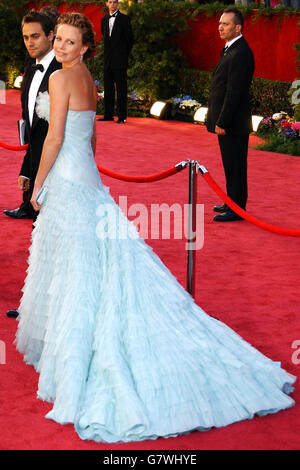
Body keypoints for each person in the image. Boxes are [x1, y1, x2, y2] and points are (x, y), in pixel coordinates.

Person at [15, 12, 295, 444]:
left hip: (68, 183)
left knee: (76, 271)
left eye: (73, 43)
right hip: (86, 178)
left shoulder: (60, 78)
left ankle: (74, 359)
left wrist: (38, 181)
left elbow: (53, 139)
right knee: (90, 265)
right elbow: (90, 139)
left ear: (86, 47)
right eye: (63, 42)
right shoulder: (87, 78)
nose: (65, 49)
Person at [3, 9, 61, 221]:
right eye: (26, 37)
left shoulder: (63, 70)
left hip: (59, 169)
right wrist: (27, 170)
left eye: (35, 36)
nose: (30, 42)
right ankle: (28, 206)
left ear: (50, 34)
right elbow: (33, 126)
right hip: (37, 161)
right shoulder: (31, 66)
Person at [206, 8, 254, 222]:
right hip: (229, 121)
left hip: (233, 122)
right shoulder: (229, 49)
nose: (220, 27)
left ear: (238, 27)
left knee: (236, 164)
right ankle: (231, 201)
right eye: (220, 23)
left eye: (225, 24)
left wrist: (222, 120)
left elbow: (235, 91)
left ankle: (237, 209)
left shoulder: (241, 52)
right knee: (229, 163)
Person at [97, 0, 133, 124]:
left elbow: (129, 40)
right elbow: (106, 39)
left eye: (115, 2)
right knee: (108, 88)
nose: (112, 5)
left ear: (118, 4)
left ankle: (122, 116)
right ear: (107, 4)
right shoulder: (103, 20)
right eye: (110, 2)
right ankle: (108, 115)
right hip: (107, 60)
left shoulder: (125, 19)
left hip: (120, 61)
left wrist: (123, 56)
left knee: (121, 88)